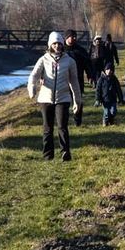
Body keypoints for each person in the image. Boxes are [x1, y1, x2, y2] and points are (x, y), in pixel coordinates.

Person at [27, 31, 82, 161]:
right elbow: (34, 75)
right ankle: (48, 155)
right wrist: (32, 87)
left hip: (63, 97)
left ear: (62, 45)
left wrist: (77, 100)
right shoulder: (43, 59)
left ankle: (65, 152)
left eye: (59, 43)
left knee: (62, 126)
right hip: (45, 98)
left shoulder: (70, 61)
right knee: (47, 127)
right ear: (50, 45)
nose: (57, 46)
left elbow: (74, 81)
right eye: (54, 44)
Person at [64, 30, 94, 126]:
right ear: (66, 37)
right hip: (63, 80)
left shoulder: (80, 51)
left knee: (78, 100)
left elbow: (87, 64)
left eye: (75, 36)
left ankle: (77, 120)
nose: (74, 38)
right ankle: (63, 120)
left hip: (77, 79)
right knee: (64, 101)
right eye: (72, 36)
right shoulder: (61, 50)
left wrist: (90, 75)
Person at [95, 62, 124, 126]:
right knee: (107, 112)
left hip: (113, 99)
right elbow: (98, 90)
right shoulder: (101, 79)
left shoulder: (114, 79)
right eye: (107, 69)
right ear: (105, 70)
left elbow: (118, 89)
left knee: (113, 111)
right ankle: (105, 121)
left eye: (111, 70)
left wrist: (121, 99)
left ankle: (111, 120)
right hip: (105, 100)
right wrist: (98, 99)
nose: (109, 71)